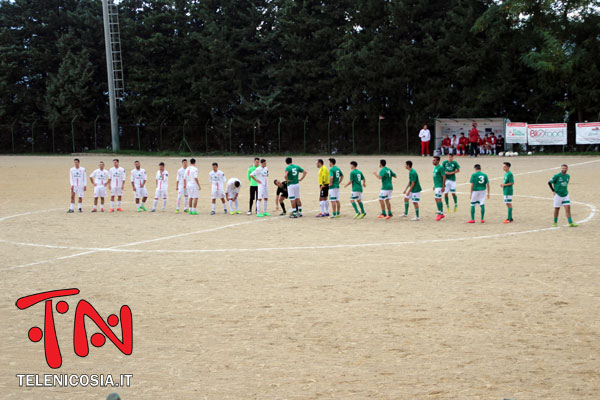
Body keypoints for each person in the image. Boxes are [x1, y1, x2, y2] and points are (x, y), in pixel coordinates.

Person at [432, 156, 446, 221]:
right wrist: (434, 185)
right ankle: (440, 211)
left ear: (438, 161)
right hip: (436, 186)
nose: (433, 161)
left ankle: (440, 214)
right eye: (433, 160)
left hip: (440, 186)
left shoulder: (441, 168)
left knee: (439, 199)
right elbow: (435, 177)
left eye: (434, 160)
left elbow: (444, 177)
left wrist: (443, 186)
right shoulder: (435, 168)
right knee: (436, 198)